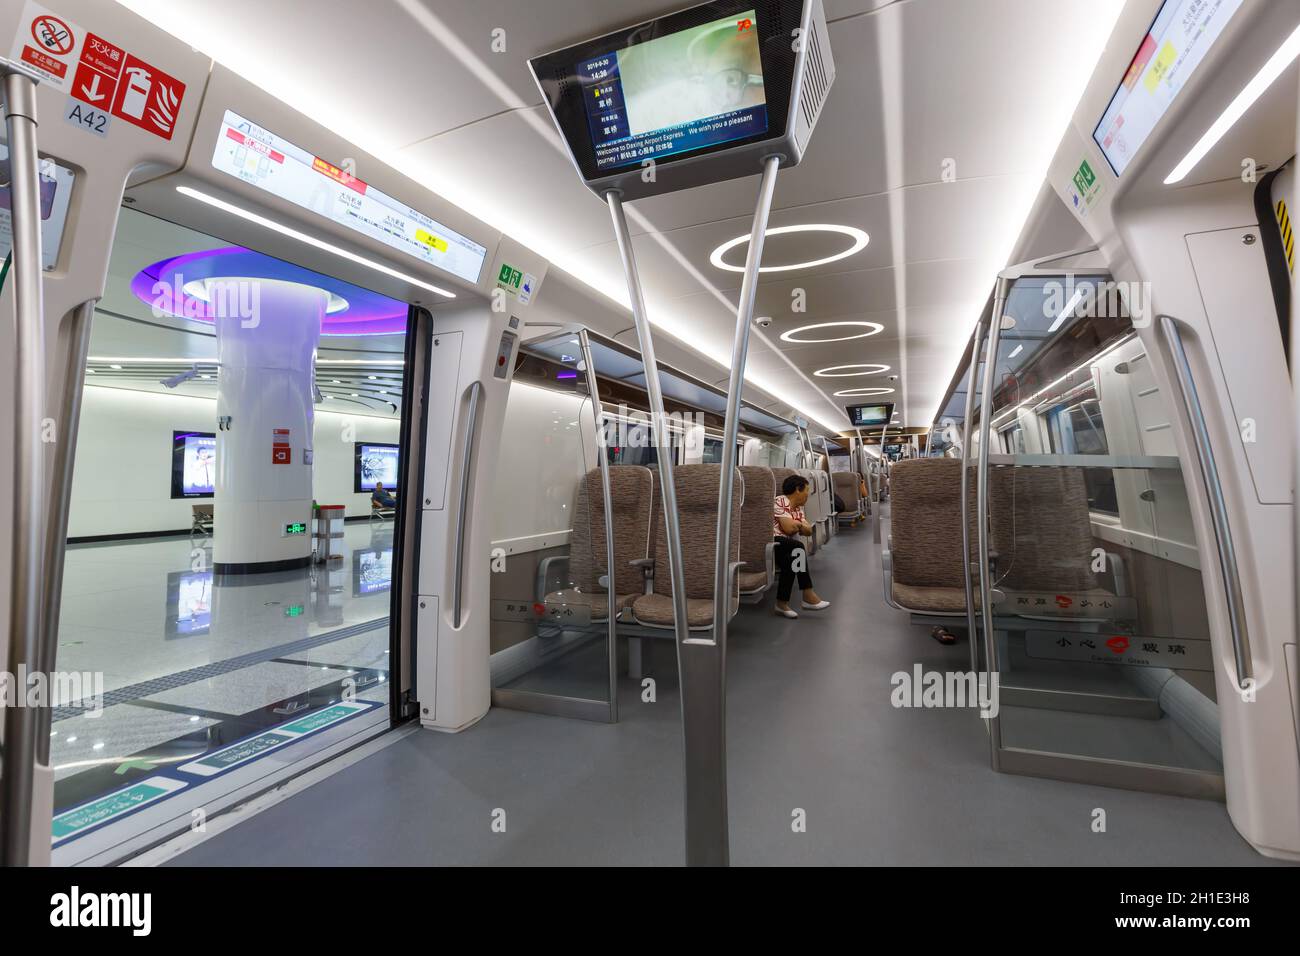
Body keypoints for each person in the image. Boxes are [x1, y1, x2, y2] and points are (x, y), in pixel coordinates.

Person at [772, 474, 829, 618]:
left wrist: (796, 524)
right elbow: (788, 529)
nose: (807, 496)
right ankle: (807, 594)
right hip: (772, 542)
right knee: (797, 546)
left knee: (792, 559)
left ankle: (781, 604)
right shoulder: (780, 501)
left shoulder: (798, 509)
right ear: (798, 489)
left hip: (787, 546)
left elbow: (808, 531)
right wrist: (799, 525)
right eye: (806, 492)